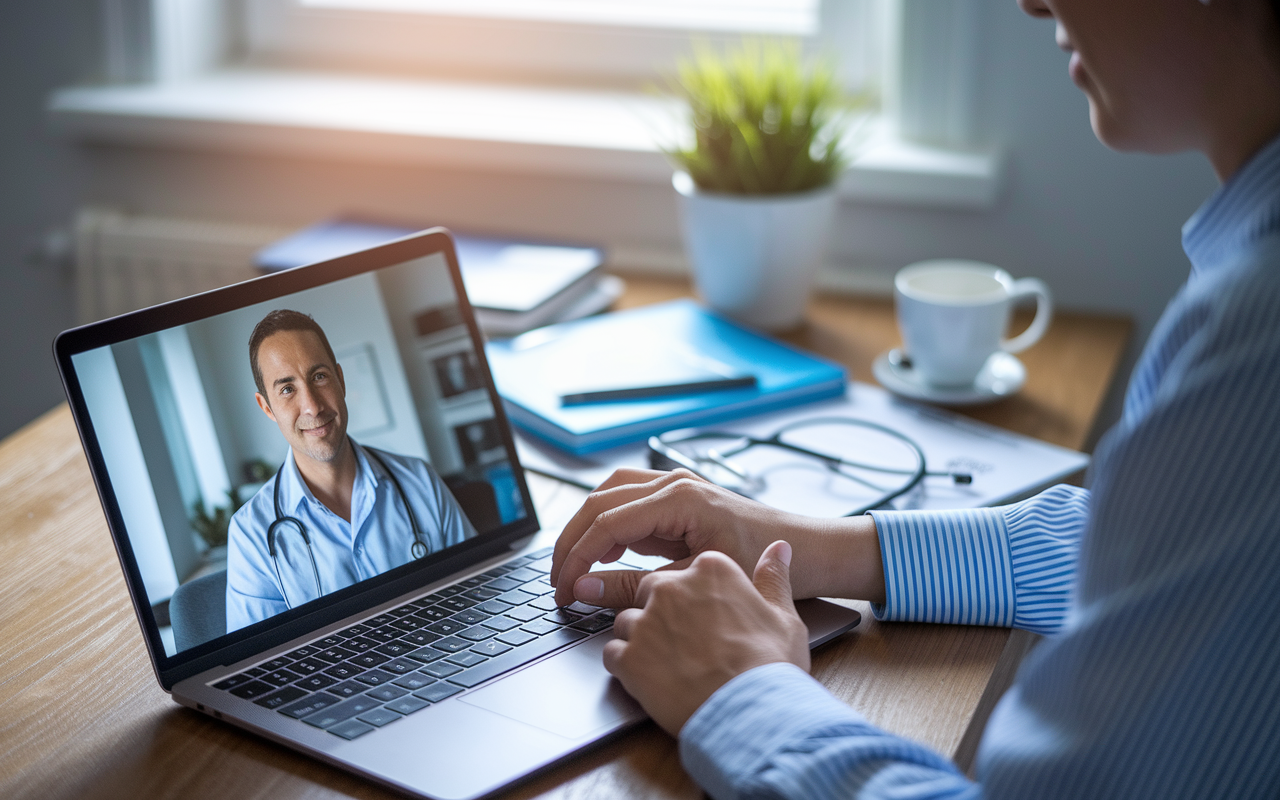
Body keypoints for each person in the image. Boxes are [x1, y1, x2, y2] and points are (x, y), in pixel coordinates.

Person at [550, 1, 1280, 797]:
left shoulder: (1256, 329)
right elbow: (1135, 551)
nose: (1032, 3)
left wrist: (741, 689)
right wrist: (808, 545)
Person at [226, 310, 475, 631]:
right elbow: (257, 665)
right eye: (287, 389)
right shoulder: (251, 534)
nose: (313, 407)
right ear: (266, 407)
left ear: (340, 380)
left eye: (319, 377)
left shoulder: (420, 481)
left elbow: (476, 592)